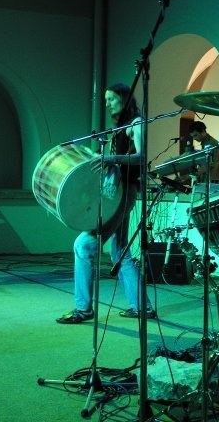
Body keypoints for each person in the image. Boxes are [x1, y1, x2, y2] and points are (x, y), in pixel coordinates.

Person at [56, 83, 156, 324]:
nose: (107, 104)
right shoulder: (120, 127)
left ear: (123, 98)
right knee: (119, 250)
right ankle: (142, 307)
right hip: (119, 194)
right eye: (106, 100)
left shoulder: (136, 124)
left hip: (123, 194)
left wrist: (111, 158)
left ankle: (83, 309)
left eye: (111, 99)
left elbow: (142, 157)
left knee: (83, 245)